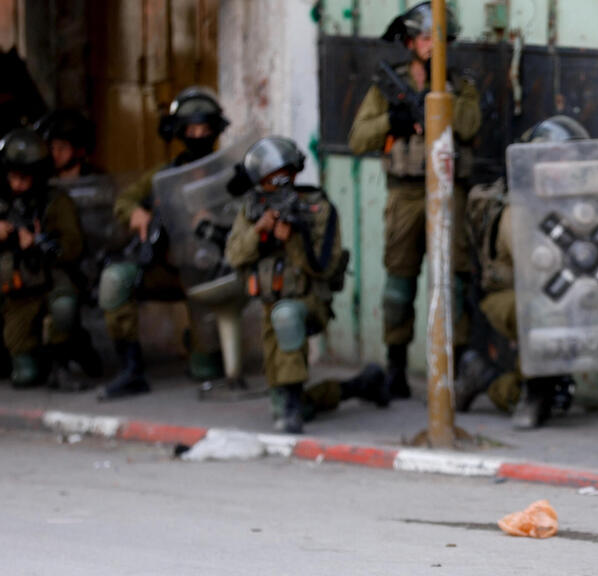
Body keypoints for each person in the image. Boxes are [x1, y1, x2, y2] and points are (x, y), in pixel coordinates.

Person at [348, 1, 481, 399]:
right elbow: (359, 138)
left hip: (449, 191)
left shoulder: (462, 86)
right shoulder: (387, 87)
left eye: (437, 37)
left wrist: (435, 97)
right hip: (405, 193)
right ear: (409, 41)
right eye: (423, 37)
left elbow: (471, 125)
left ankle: (454, 372)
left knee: (454, 281)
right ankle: (396, 367)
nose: (430, 44)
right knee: (398, 283)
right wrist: (395, 119)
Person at [97, 86, 230, 400]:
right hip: (163, 268)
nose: (197, 135)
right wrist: (137, 213)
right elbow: (125, 200)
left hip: (206, 274)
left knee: (205, 370)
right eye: (191, 129)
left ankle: (198, 346)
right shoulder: (165, 175)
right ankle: (130, 369)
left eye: (204, 129)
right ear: (180, 132)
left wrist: (212, 220)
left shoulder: (227, 175)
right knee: (115, 280)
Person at [458, 115, 589, 428]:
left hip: (547, 290)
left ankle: (544, 384)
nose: (568, 168)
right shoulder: (520, 208)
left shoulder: (565, 201)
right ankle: (513, 389)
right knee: (547, 312)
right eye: (559, 160)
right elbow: (536, 274)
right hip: (510, 295)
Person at [225, 136, 358, 434]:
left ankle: (292, 406)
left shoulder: (317, 208)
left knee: (285, 316)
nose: (272, 185)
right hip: (270, 303)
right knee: (280, 398)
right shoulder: (254, 208)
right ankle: (354, 388)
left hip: (308, 302)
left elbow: (325, 267)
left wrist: (294, 240)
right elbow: (234, 255)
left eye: (277, 178)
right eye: (267, 180)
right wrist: (259, 233)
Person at [0, 127, 98, 390]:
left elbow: (72, 247)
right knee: (25, 376)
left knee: (64, 305)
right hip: (17, 289)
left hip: (51, 277)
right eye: (13, 177)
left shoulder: (56, 203)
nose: (18, 184)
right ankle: (38, 357)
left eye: (25, 178)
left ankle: (64, 356)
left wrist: (37, 244)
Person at [34, 109, 100, 180]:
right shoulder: (40, 179)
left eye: (63, 147)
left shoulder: (96, 180)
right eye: (51, 147)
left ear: (80, 149)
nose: (55, 154)